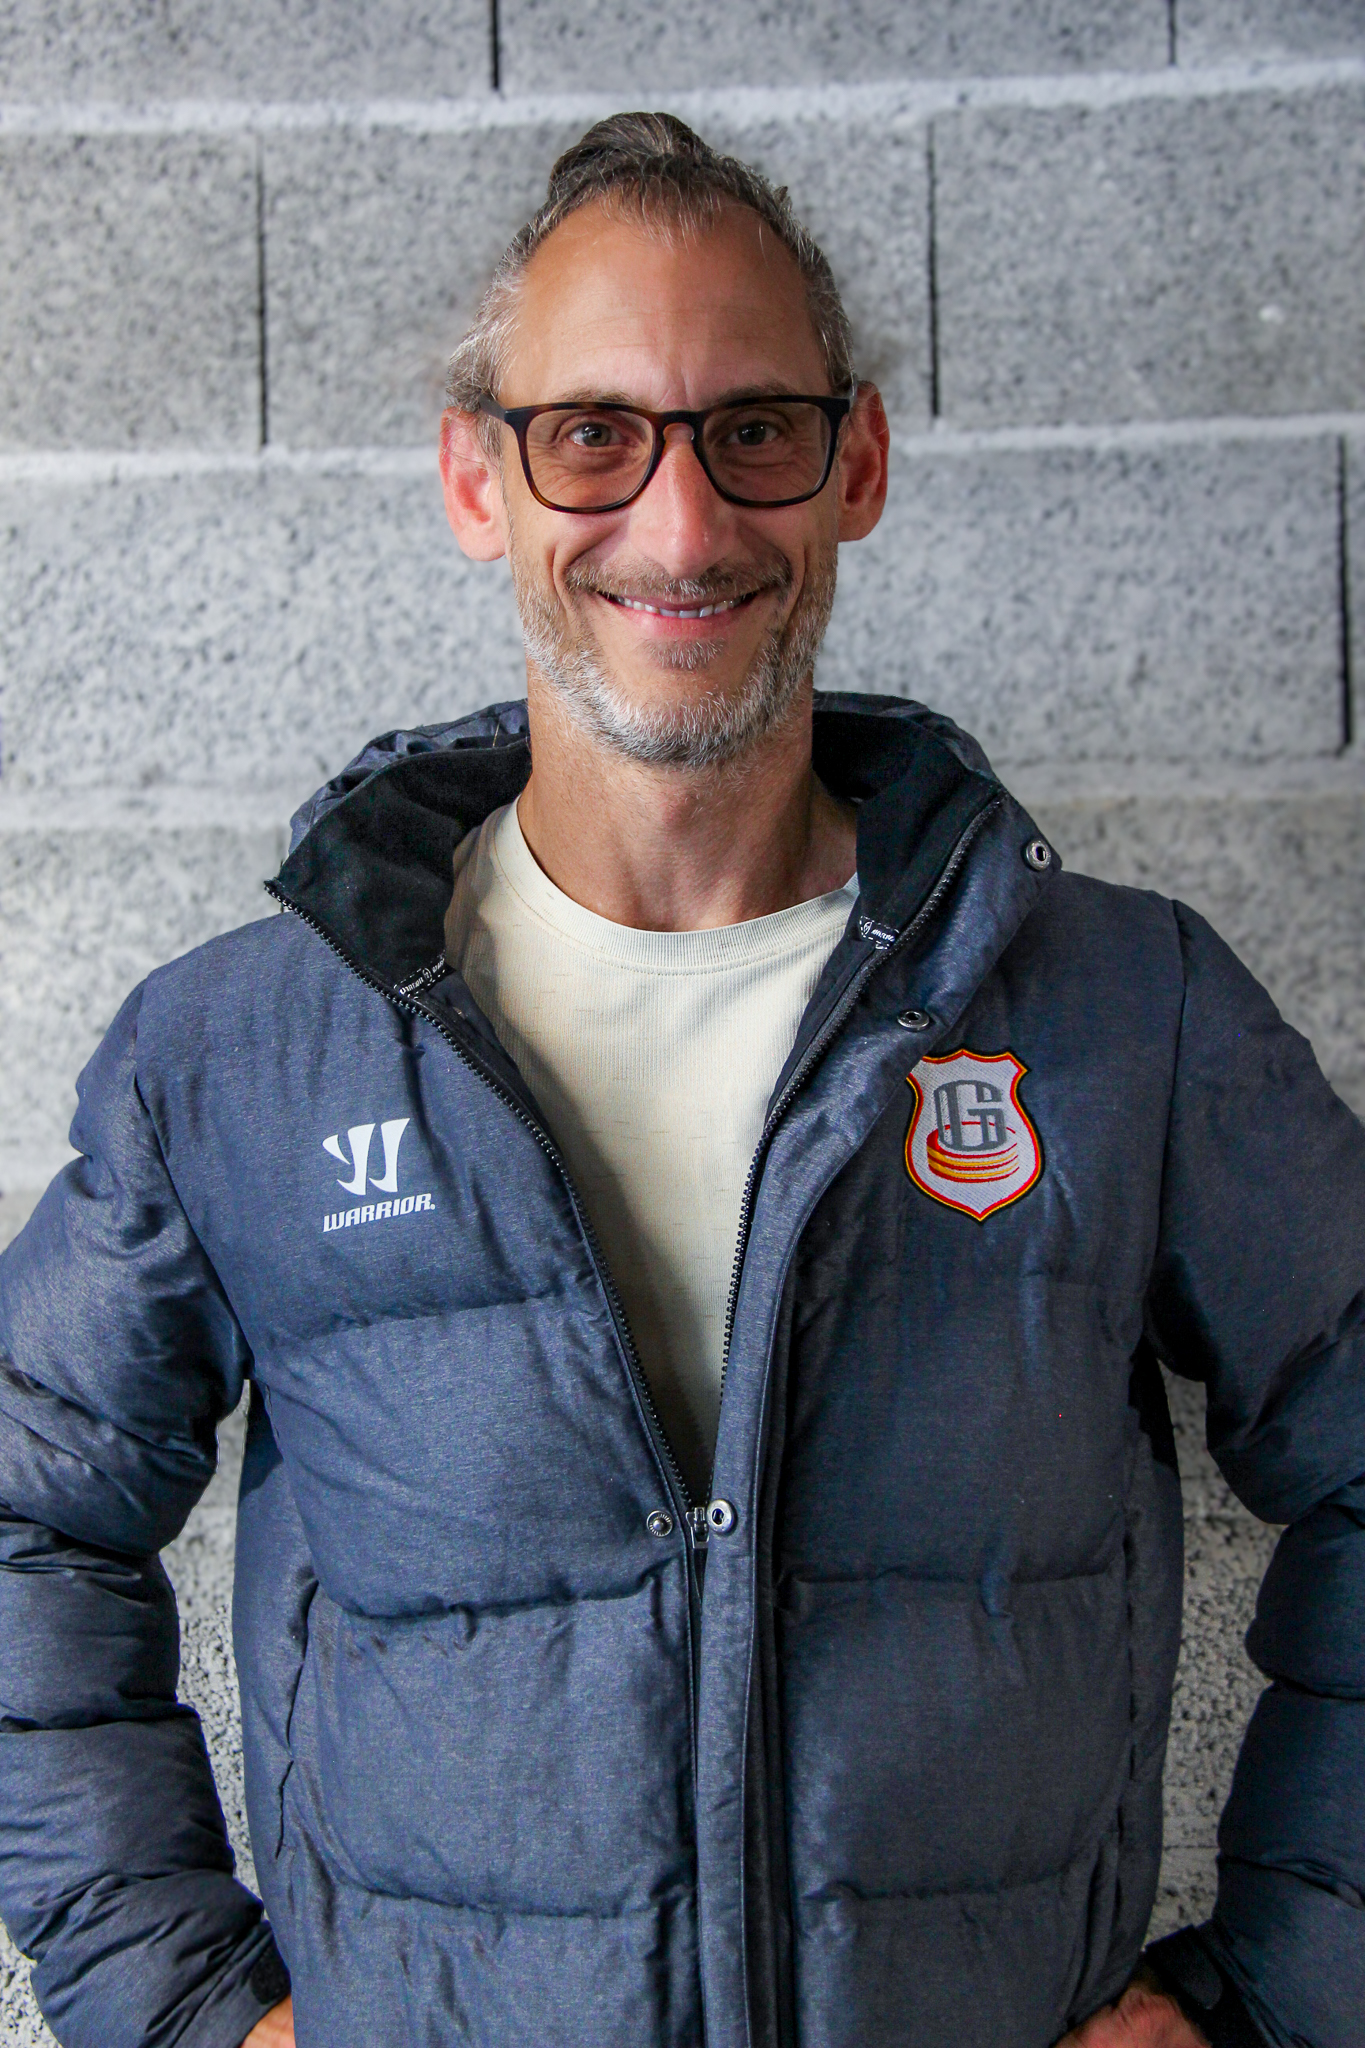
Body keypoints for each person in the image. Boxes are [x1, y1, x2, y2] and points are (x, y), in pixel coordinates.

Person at [0, 110, 1360, 2048]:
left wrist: (1281, 1993)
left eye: (753, 429)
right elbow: (25, 1514)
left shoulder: (1122, 1007)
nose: (681, 522)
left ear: (852, 463)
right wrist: (177, 2003)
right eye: (590, 434)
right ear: (476, 478)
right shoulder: (241, 1051)